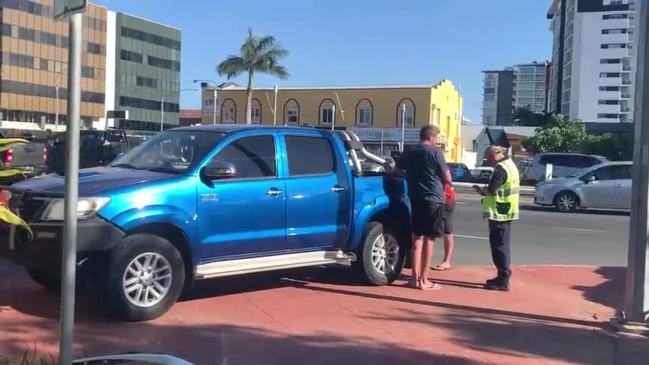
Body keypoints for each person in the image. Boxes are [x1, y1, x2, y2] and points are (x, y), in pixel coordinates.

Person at [394, 125, 453, 290]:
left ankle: (414, 278)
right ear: (432, 137)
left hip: (415, 197)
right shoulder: (435, 153)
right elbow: (447, 177)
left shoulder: (410, 152)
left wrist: (411, 177)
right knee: (430, 239)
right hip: (434, 198)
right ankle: (424, 280)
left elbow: (396, 170)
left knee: (417, 237)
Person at [475, 145, 520, 291]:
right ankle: (503, 275)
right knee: (503, 244)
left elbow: (492, 189)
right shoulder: (511, 165)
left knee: (498, 246)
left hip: (499, 212)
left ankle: (503, 278)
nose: (489, 160)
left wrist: (482, 191)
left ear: (497, 153)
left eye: (489, 157)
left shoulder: (501, 168)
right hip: (508, 209)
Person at [434, 184, 456, 271]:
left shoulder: (446, 170)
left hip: (446, 198)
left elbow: (449, 178)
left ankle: (447, 261)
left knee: (447, 230)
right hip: (437, 196)